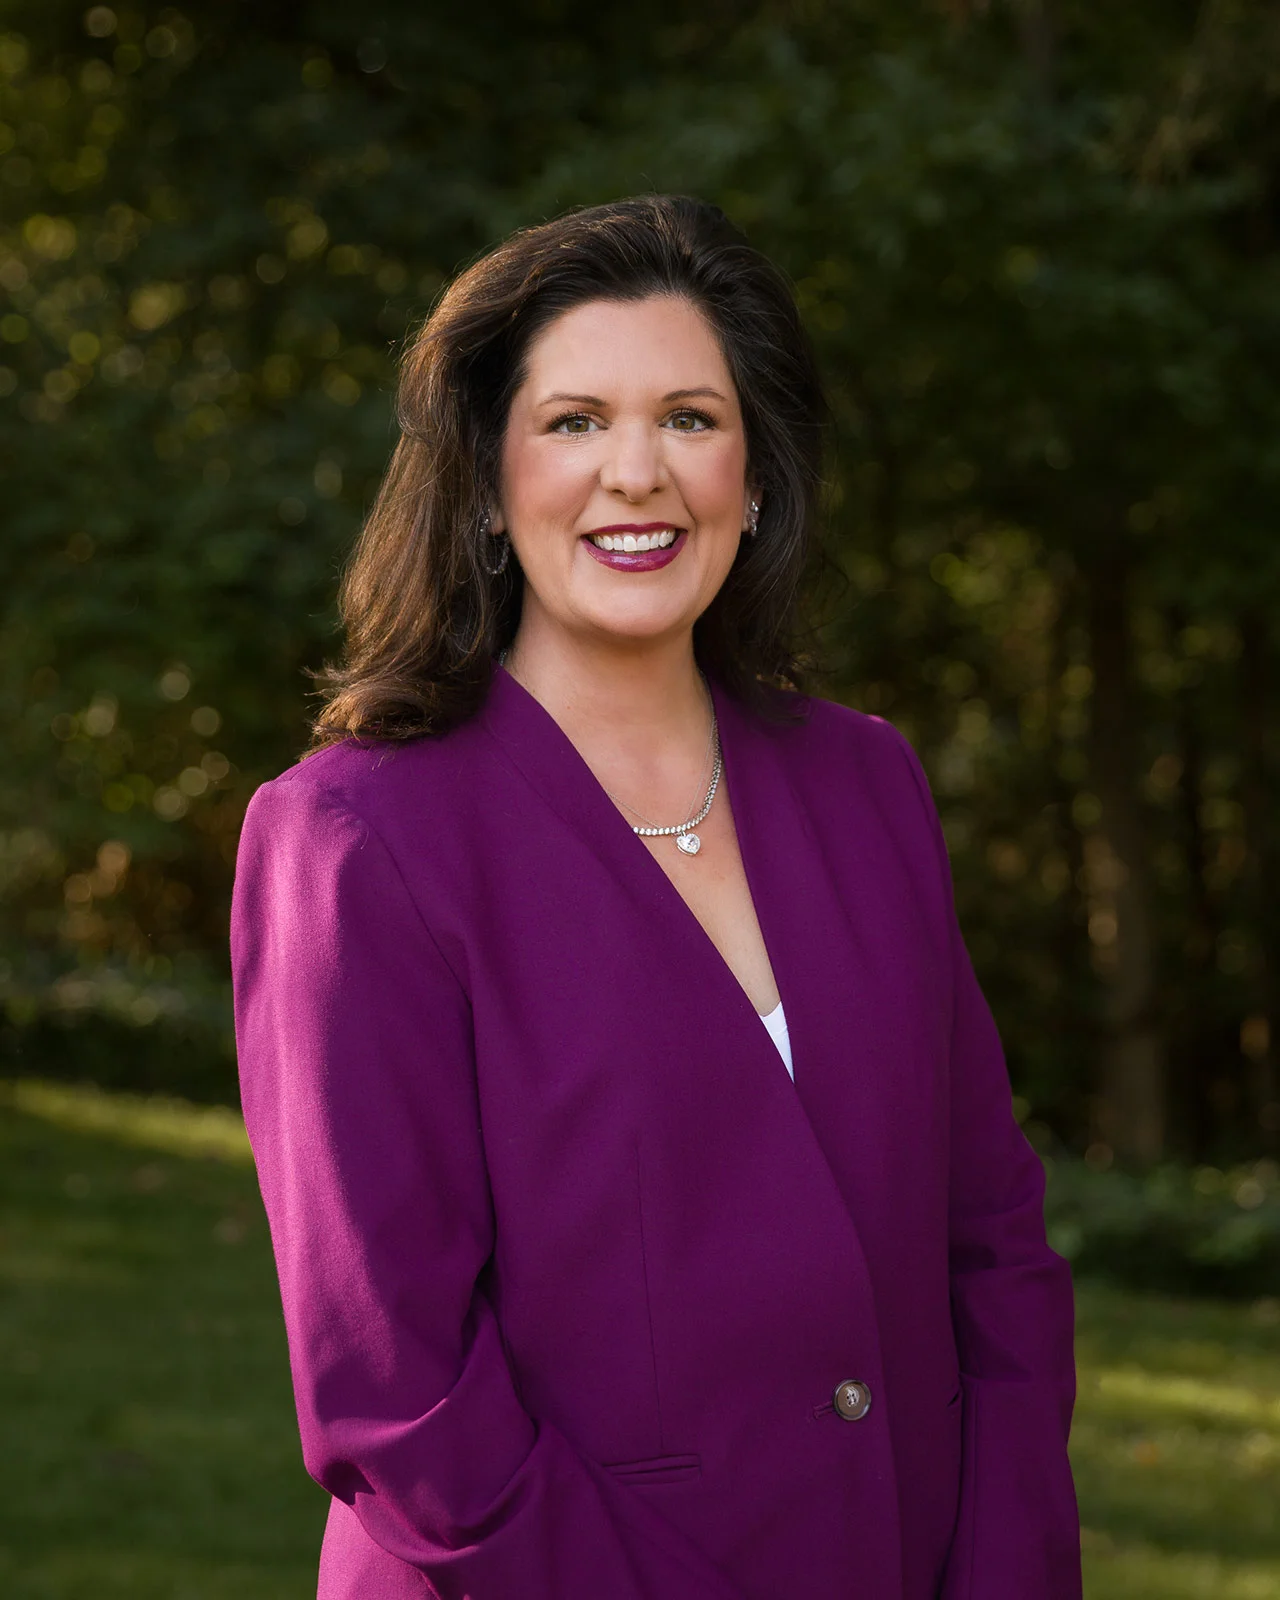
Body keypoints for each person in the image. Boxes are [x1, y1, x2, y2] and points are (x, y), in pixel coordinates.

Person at [230, 194, 1081, 1600]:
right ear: (489, 485)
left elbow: (991, 1239)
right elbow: (396, 1387)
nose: (639, 471)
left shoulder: (866, 784)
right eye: (573, 423)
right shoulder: (352, 839)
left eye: (691, 417)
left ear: (754, 477)